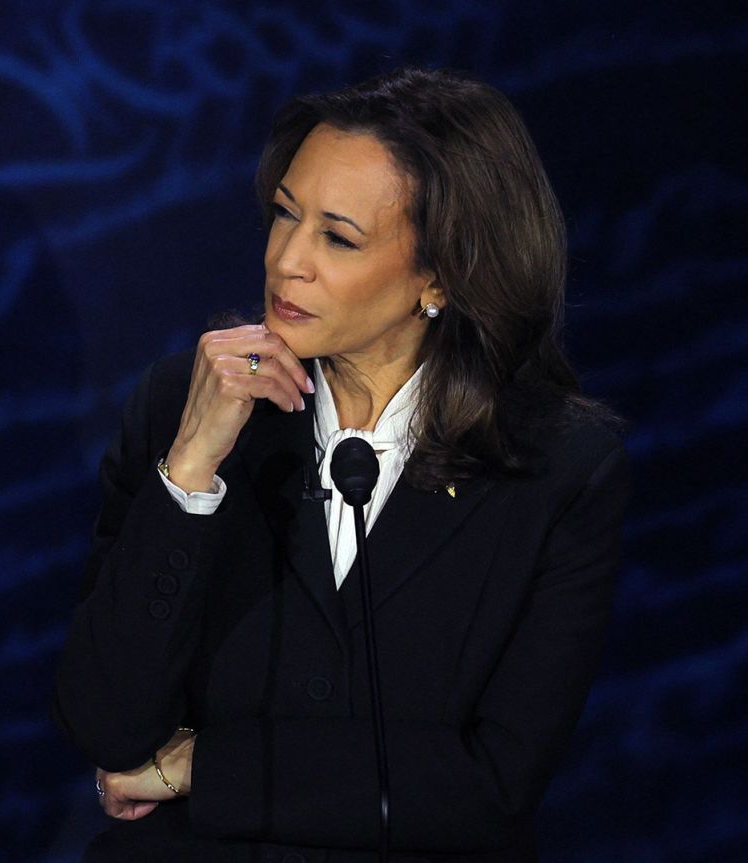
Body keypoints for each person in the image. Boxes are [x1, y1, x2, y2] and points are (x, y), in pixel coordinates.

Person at [51, 65, 631, 862]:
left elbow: (491, 785)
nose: (286, 260)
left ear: (441, 276)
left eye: (338, 237)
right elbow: (106, 728)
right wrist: (189, 471)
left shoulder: (556, 467)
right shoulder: (182, 404)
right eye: (284, 215)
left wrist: (202, 766)